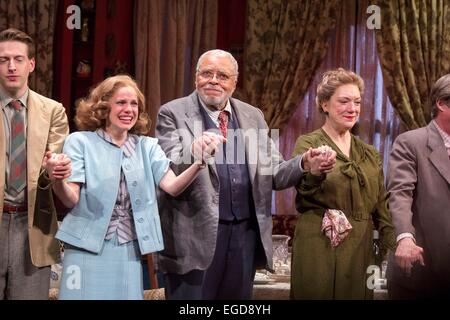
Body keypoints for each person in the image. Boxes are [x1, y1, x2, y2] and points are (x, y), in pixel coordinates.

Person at [155, 49, 336, 300]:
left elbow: (274, 172)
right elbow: (167, 168)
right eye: (207, 73)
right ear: (196, 78)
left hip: (244, 236)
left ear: (234, 82)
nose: (214, 80)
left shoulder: (253, 116)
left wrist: (304, 164)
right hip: (195, 237)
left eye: (223, 75)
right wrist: (192, 151)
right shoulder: (172, 113)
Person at [43, 75, 210, 300]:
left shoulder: (148, 146)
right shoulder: (80, 141)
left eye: (134, 104)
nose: (129, 109)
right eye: (121, 102)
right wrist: (57, 179)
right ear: (103, 107)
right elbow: (71, 198)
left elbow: (172, 186)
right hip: (85, 248)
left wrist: (199, 163)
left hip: (128, 247)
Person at [290, 68, 396, 299]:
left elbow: (381, 206)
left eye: (357, 102)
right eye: (344, 101)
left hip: (361, 245)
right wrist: (316, 172)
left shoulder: (369, 153)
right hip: (319, 241)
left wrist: (397, 244)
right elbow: (302, 190)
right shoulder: (309, 143)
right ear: (324, 104)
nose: (352, 108)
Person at [0, 28, 69, 299]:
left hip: (33, 226)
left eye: (18, 59)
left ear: (31, 64)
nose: (11, 66)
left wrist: (52, 171)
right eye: (3, 60)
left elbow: (52, 165)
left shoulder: (53, 111)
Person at [387, 74, 450, 299]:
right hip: (422, 274)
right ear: (441, 104)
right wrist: (405, 237)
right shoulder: (410, 143)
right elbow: (399, 194)